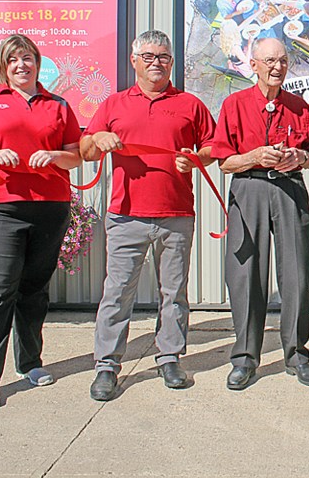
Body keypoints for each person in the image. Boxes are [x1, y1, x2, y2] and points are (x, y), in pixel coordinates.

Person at [0, 34, 82, 410]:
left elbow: (75, 158)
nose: (21, 65)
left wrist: (55, 155)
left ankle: (30, 363)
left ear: (38, 63)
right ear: (3, 67)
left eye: (27, 58)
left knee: (34, 291)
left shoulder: (58, 105)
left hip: (49, 207)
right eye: (13, 60)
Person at [81, 30, 216, 401]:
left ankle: (170, 357)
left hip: (176, 214)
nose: (157, 63)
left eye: (164, 57)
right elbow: (86, 150)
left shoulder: (189, 104)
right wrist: (98, 140)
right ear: (134, 60)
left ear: (171, 62)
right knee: (117, 292)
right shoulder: (113, 105)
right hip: (126, 216)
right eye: (149, 57)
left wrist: (196, 158)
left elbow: (212, 148)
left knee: (173, 293)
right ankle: (107, 365)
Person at [212, 38, 309, 390]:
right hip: (249, 188)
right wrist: (254, 156)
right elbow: (225, 161)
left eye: (283, 61)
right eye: (270, 61)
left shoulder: (298, 106)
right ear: (254, 65)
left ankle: (296, 355)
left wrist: (298, 158)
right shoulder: (235, 104)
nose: (277, 67)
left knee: (298, 274)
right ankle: (245, 358)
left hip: (289, 189)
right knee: (246, 275)